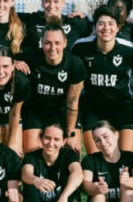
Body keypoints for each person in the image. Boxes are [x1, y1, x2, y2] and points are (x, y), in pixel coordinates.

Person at [72, 6, 133, 154]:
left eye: (111, 23)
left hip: (122, 107)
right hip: (93, 108)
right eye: (101, 23)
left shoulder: (130, 50)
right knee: (95, 157)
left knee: (126, 156)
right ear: (95, 27)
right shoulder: (80, 47)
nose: (106, 28)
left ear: (117, 28)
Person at [20, 24, 85, 155]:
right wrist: (15, 63)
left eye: (57, 43)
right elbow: (6, 59)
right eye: (48, 43)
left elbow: (72, 103)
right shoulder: (30, 57)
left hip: (63, 112)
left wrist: (70, 133)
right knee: (33, 153)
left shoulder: (74, 64)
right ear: (41, 43)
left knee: (71, 152)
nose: (53, 48)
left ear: (65, 43)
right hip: (35, 112)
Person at [21, 122, 84, 202]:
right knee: (29, 186)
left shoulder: (68, 154)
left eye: (56, 139)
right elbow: (25, 173)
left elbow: (78, 173)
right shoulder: (32, 156)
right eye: (47, 138)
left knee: (73, 186)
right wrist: (36, 180)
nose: (51, 143)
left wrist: (64, 197)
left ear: (63, 141)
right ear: (41, 138)